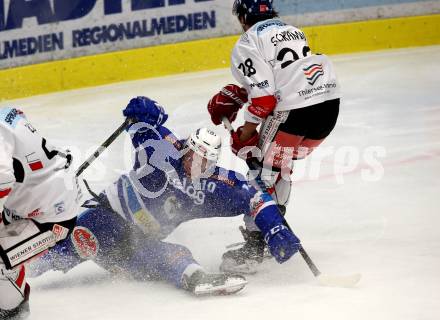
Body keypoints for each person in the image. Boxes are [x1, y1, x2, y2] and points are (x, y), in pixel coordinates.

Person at [29, 96, 301, 294]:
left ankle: (194, 277)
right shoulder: (161, 152)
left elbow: (254, 196)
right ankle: (17, 271)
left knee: (170, 253)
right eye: (193, 155)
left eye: (204, 162)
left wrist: (273, 226)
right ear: (187, 148)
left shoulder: (215, 187)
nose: (196, 164)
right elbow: (145, 122)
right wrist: (149, 110)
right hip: (104, 216)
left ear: (213, 163)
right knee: (57, 251)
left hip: (133, 246)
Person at [207, 0, 341, 271]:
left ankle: (254, 248)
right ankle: (272, 231)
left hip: (295, 112)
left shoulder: (248, 41)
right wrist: (242, 95)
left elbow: (266, 99)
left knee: (259, 171)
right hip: (328, 108)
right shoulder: (292, 30)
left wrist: (246, 131)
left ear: (244, 17)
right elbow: (284, 77)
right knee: (279, 169)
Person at [0, 107, 81, 319]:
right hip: (30, 203)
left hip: (50, 215)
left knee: (1, 261)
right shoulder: (3, 114)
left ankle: (13, 313)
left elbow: (2, 178)